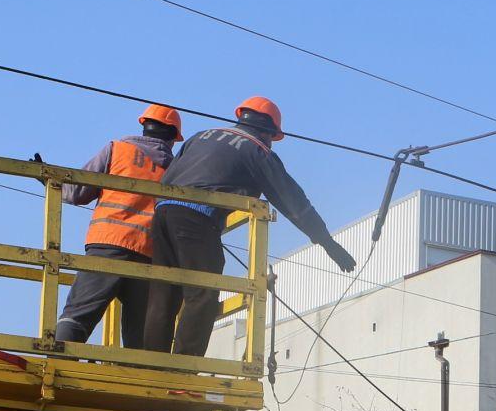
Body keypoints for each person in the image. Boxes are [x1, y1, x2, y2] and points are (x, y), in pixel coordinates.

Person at [141, 95, 356, 357]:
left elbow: (170, 177)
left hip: (162, 215)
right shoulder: (257, 150)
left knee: (164, 295)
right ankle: (183, 374)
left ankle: (151, 367)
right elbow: (294, 202)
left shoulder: (200, 136)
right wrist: (326, 241)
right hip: (196, 218)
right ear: (268, 131)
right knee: (203, 296)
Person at [52, 104, 183, 344]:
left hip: (108, 244)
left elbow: (76, 192)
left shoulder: (117, 150)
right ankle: (133, 379)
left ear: (144, 126)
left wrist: (50, 183)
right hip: (148, 255)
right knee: (140, 335)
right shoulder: (177, 170)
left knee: (78, 316)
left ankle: (57, 364)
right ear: (174, 138)